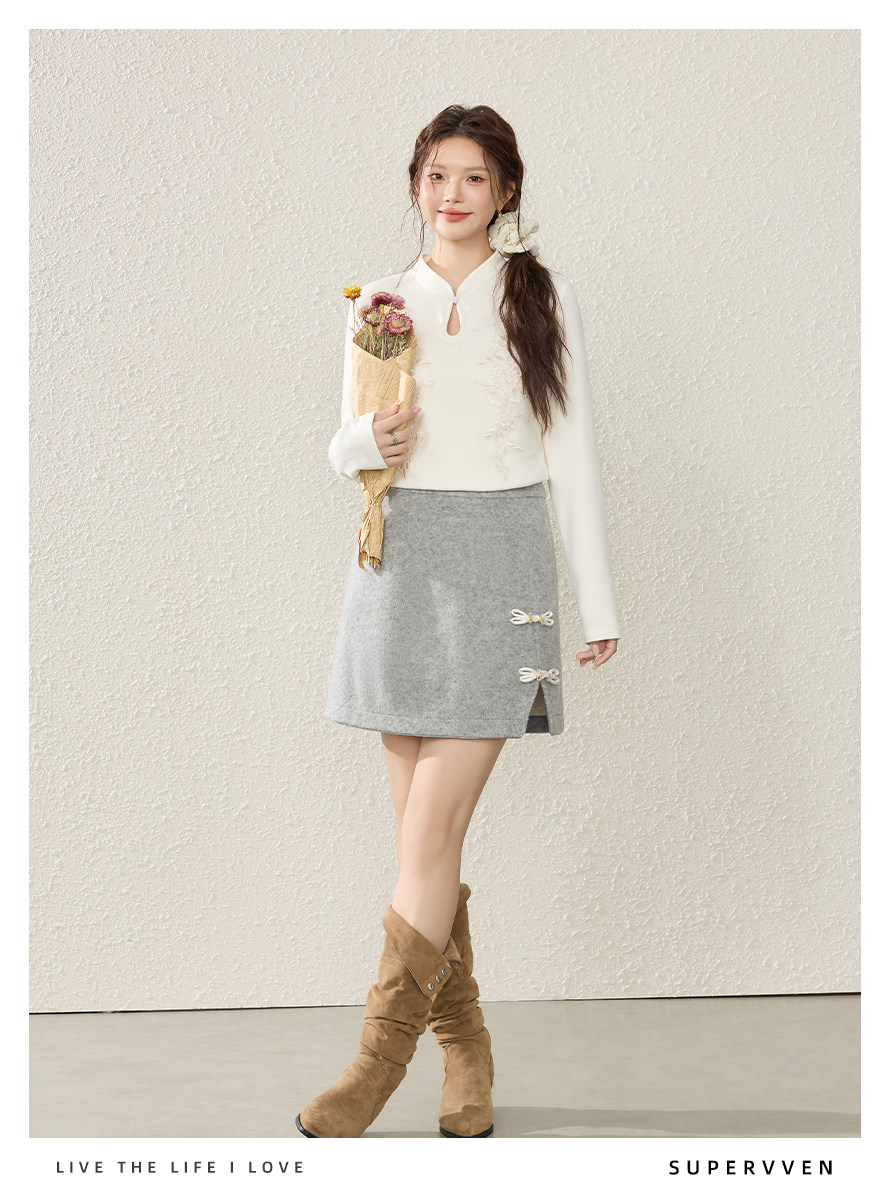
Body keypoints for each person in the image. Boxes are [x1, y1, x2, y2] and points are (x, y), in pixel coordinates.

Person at [296, 104, 620, 1140]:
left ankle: (374, 1066)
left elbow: (571, 445)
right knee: (420, 846)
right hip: (402, 563)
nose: (453, 194)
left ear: (505, 191)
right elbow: (342, 445)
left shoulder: (539, 292)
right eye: (438, 175)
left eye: (475, 177)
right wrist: (366, 440)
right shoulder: (379, 299)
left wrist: (597, 599)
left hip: (501, 559)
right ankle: (466, 1050)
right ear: (416, 184)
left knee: (430, 834)